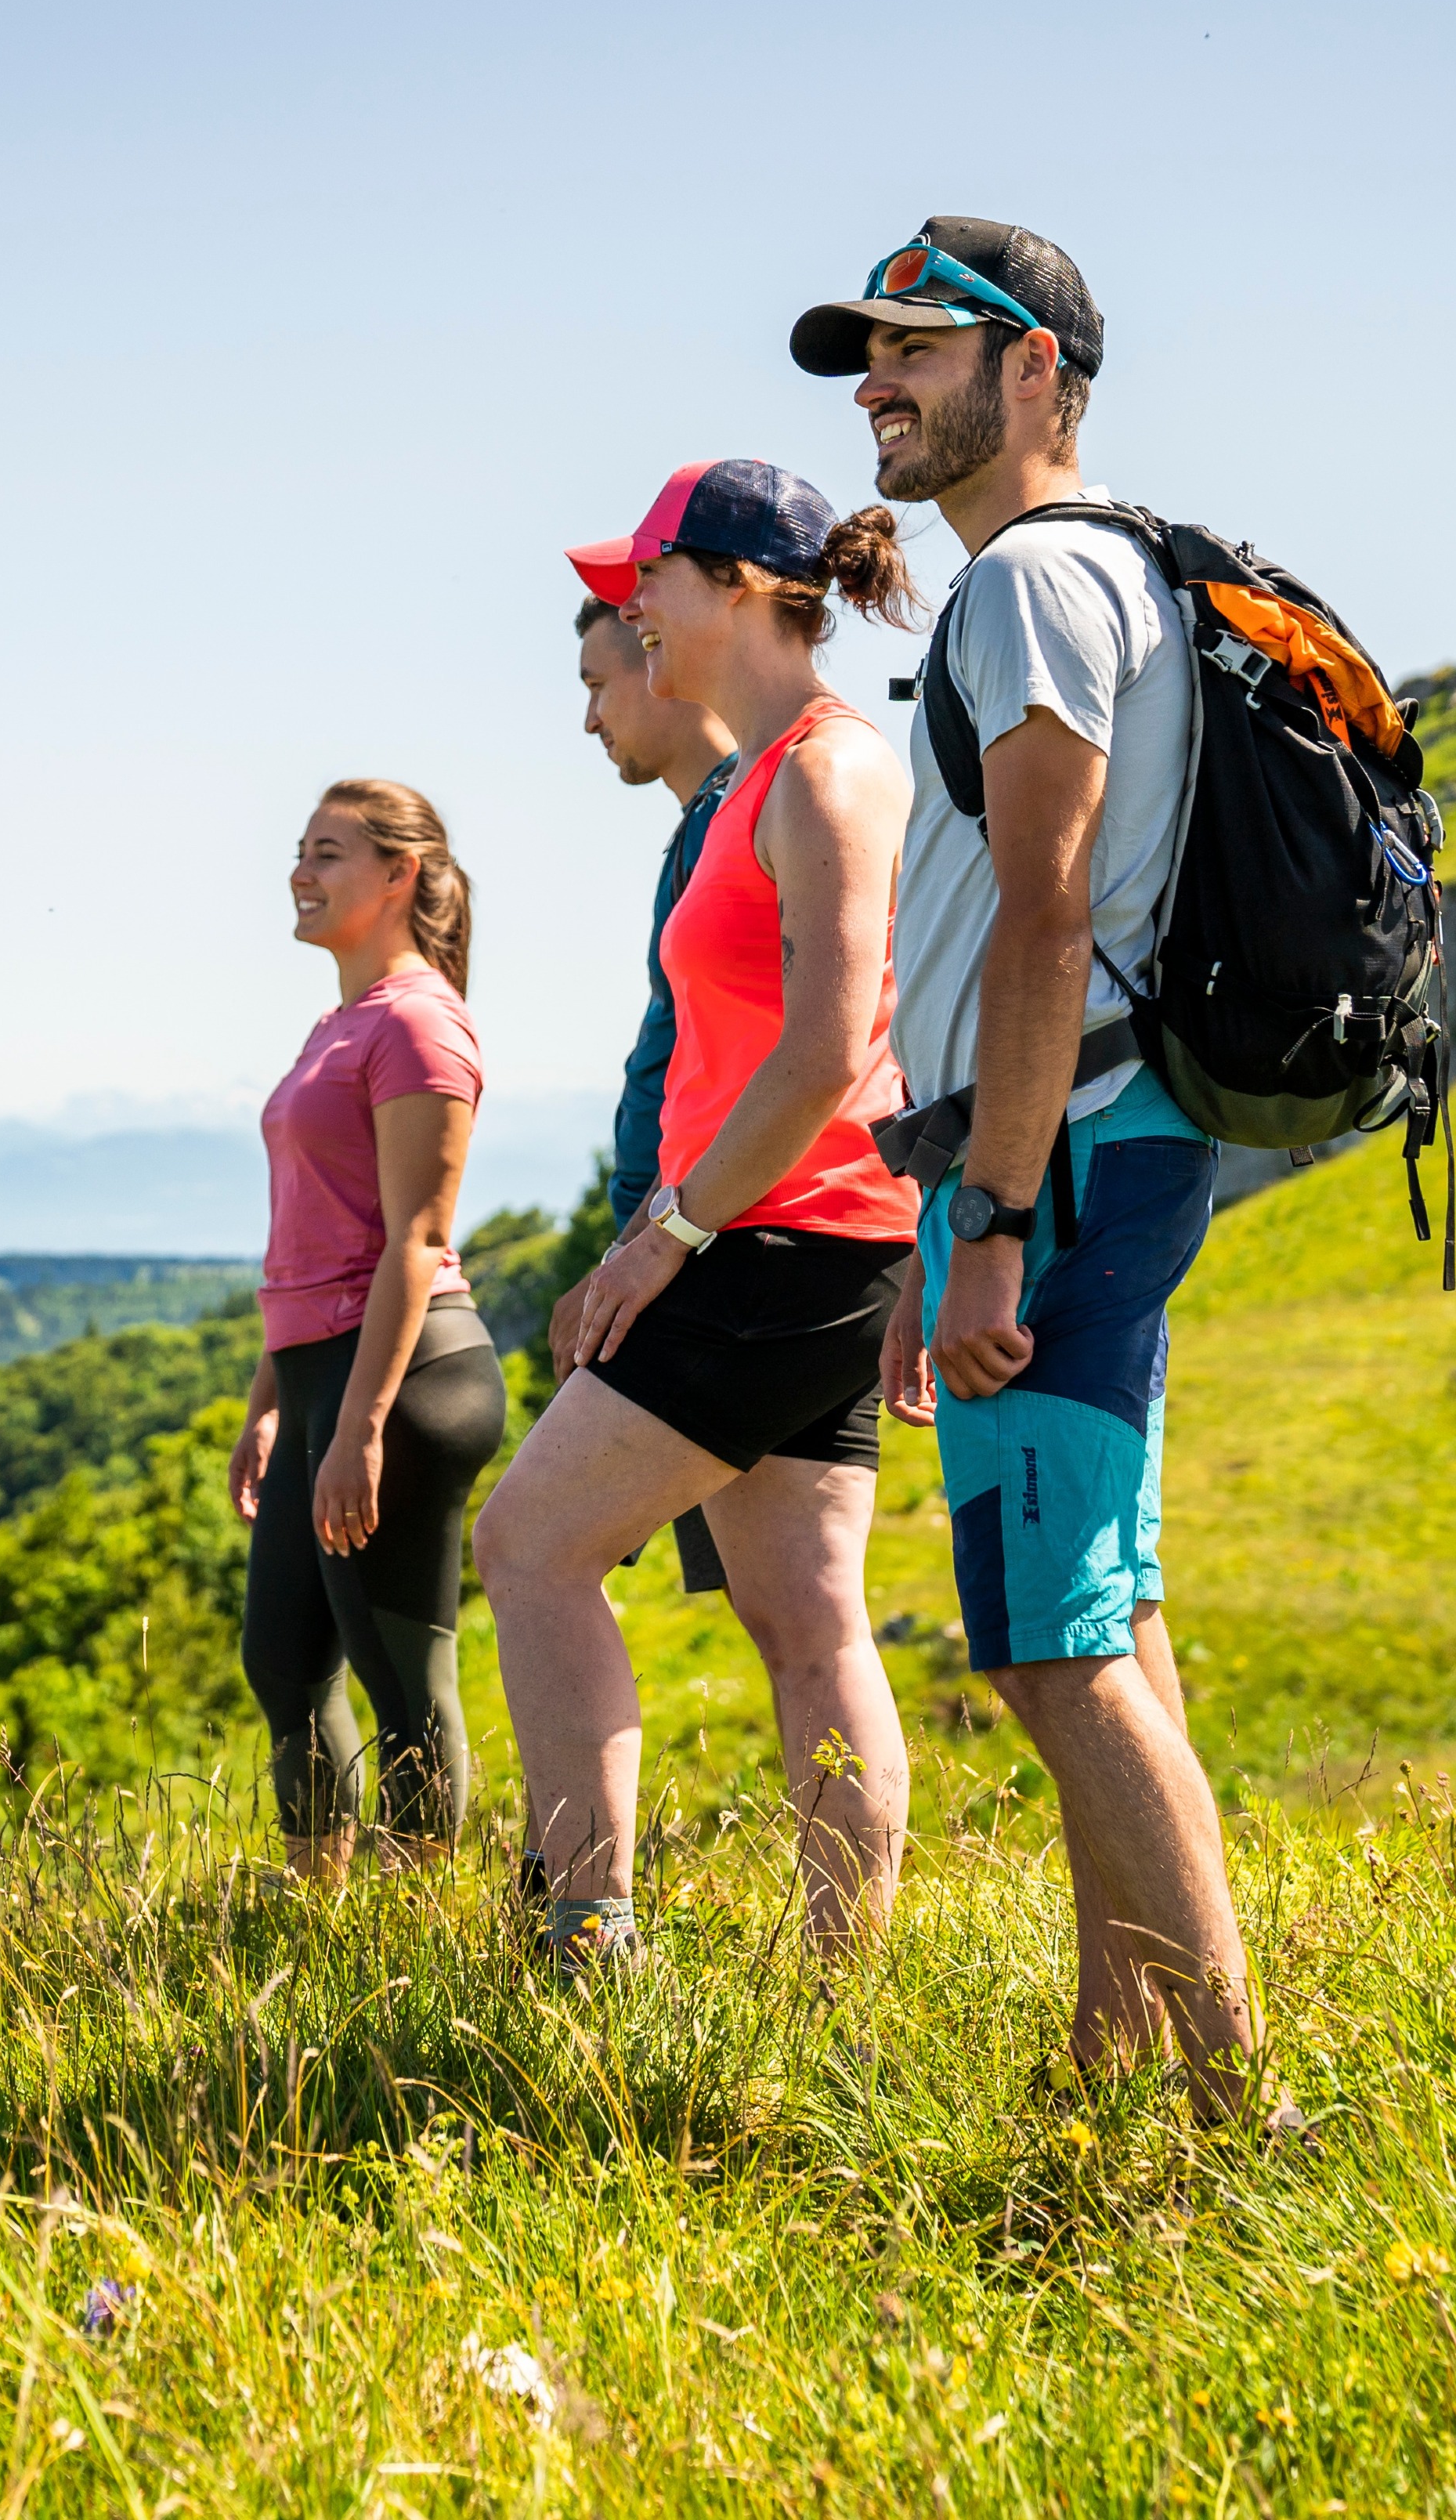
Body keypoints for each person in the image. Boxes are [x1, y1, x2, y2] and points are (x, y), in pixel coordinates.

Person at [791, 215, 1256, 2101]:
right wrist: (951, 1208)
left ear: (1037, 372)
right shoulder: (1107, 576)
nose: (876, 383)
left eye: (919, 345)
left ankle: (1235, 2100)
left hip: (1059, 1158)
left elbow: (1049, 914)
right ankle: (1109, 2055)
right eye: (866, 353)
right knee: (1109, 1623)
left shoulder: (1025, 590)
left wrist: (984, 1216)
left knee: (1052, 1647)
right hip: (1076, 1144)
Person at [475, 459, 923, 1963]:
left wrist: (664, 1236)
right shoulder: (773, 772)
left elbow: (826, 1046)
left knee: (530, 1543)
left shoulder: (829, 768)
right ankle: (835, 1982)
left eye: (655, 575)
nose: (636, 608)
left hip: (775, 1237)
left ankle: (586, 1928)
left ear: (736, 586)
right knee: (808, 1622)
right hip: (795, 1232)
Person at [235, 781, 511, 1888]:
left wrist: (360, 1425)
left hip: (400, 1376)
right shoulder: (338, 1025)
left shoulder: (417, 1019)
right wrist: (272, 1403)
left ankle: (417, 1928)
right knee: (285, 1661)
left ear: (400, 875)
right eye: (300, 851)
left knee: (403, 1677)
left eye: (330, 854)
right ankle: (322, 1914)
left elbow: (417, 1237)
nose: (301, 873)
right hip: (322, 1376)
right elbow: (306, 1239)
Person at [573, 593, 740, 1600]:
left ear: (656, 657)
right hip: (678, 1237)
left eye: (597, 686)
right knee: (783, 1602)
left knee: (533, 1542)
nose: (589, 719)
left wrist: (645, 1241)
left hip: (701, 1247)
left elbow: (721, 1065)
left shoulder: (731, 819)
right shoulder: (700, 827)